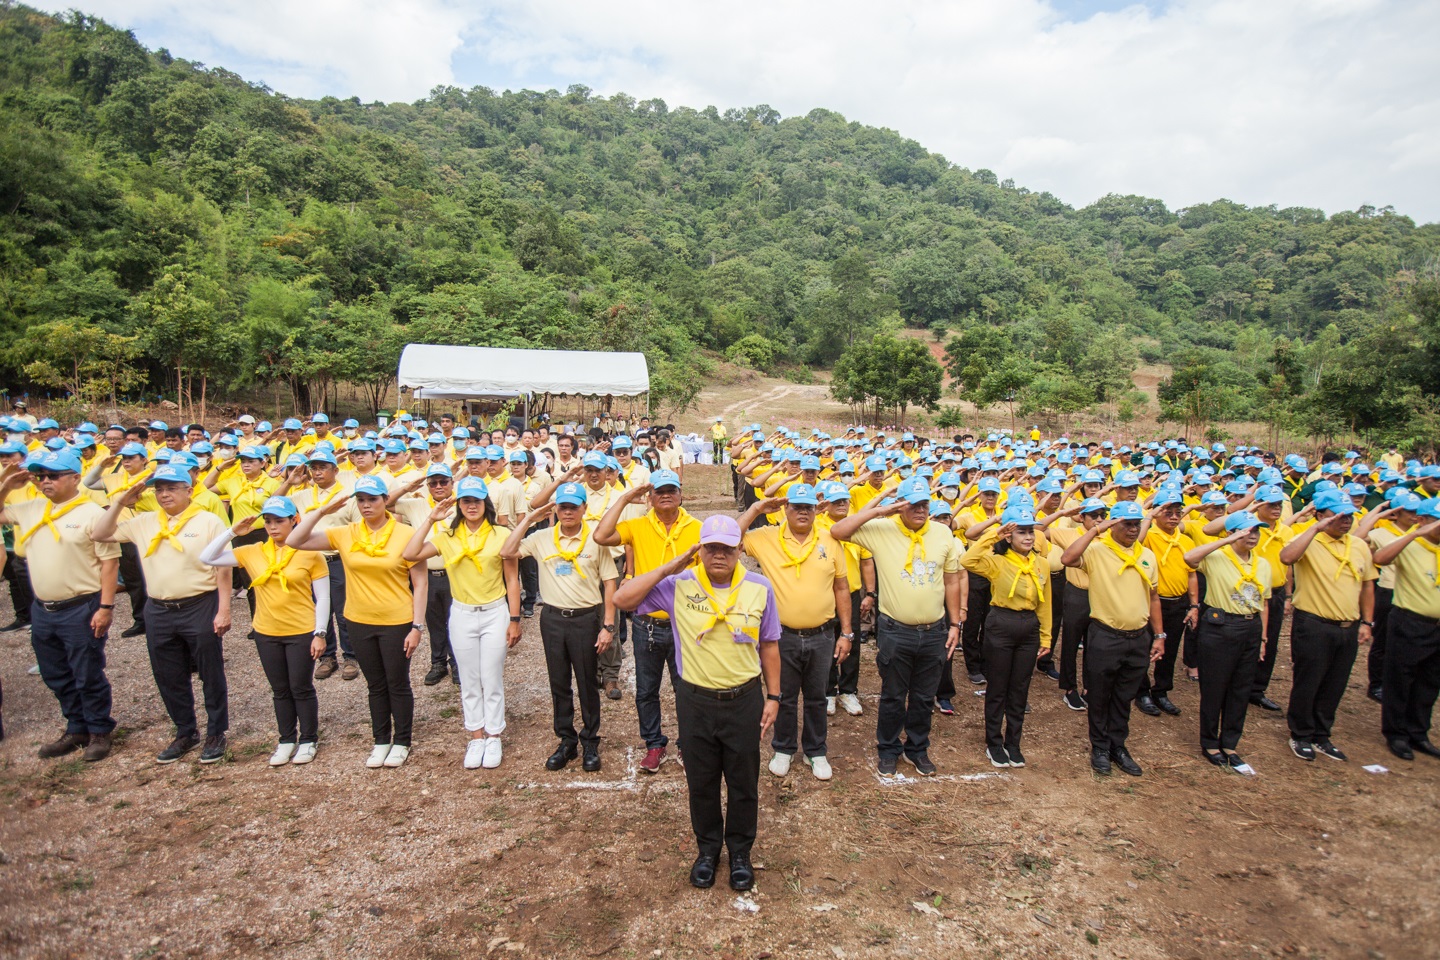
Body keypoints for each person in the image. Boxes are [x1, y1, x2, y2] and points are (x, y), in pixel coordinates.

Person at [614, 516, 781, 893]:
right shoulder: (677, 586)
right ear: (700, 550)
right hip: (695, 700)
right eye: (711, 547)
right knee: (701, 782)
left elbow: (769, 644)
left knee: (743, 782)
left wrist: (774, 696)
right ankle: (707, 851)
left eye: (727, 547)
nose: (719, 554)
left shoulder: (759, 588)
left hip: (743, 699)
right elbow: (622, 599)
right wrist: (672, 565)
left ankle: (740, 852)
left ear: (740, 549)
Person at [92, 463, 233, 765]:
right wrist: (120, 501)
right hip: (159, 607)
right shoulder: (143, 521)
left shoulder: (209, 521)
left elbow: (223, 568)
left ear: (189, 490)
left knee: (210, 671)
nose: (164, 494)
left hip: (200, 602)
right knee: (168, 674)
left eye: (172, 488)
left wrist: (224, 609)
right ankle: (185, 731)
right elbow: (100, 533)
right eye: (159, 489)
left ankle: (216, 731)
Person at [829, 477, 965, 778]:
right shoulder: (882, 530)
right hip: (896, 631)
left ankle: (917, 748)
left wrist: (955, 623)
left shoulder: (943, 533)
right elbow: (838, 530)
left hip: (935, 631)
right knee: (893, 695)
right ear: (900, 506)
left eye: (924, 503)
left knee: (923, 696)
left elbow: (952, 579)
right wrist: (881, 510)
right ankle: (888, 749)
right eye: (912, 503)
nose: (920, 509)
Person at [288, 475, 427, 769]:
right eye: (361, 500)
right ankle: (380, 740)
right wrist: (323, 512)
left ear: (384, 501)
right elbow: (294, 540)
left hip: (396, 619)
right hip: (359, 620)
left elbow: (420, 581)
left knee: (397, 682)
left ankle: (402, 740)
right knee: (375, 684)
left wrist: (417, 626)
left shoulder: (405, 533)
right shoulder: (345, 532)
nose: (366, 505)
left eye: (372, 499)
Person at [0, 450, 120, 761]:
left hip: (81, 605)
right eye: (40, 476)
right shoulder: (30, 508)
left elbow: (110, 564)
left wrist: (105, 608)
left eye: (53, 475)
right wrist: (5, 485)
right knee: (55, 672)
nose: (45, 482)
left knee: (87, 672)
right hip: (44, 608)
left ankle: (98, 730)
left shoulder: (92, 514)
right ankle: (76, 725)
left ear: (75, 478)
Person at [200, 496, 330, 765]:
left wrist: (320, 632)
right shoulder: (253, 551)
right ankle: (285, 739)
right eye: (268, 521)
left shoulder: (310, 552)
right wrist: (232, 532)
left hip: (301, 629)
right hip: (266, 630)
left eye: (279, 521)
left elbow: (323, 597)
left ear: (294, 520)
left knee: (301, 686)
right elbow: (207, 557)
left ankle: (308, 738)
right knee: (279, 688)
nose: (272, 527)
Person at [402, 476, 520, 769]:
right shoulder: (448, 537)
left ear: (485, 504)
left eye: (476, 501)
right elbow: (410, 553)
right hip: (463, 613)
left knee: (490, 677)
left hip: (494, 611)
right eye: (466, 501)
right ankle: (476, 735)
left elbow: (512, 579)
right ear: (458, 504)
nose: (471, 506)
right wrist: (431, 519)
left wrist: (515, 619)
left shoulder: (501, 534)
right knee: (468, 679)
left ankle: (494, 735)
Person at [501, 482, 618, 772]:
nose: (568, 512)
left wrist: (608, 626)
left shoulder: (595, 539)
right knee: (559, 682)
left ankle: (590, 739)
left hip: (585, 618)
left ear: (583, 509)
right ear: (555, 509)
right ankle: (566, 739)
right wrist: (528, 519)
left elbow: (609, 583)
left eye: (573, 507)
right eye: (563, 507)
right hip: (553, 619)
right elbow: (507, 551)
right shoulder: (541, 537)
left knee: (588, 682)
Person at [738, 484, 851, 781]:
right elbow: (729, 541)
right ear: (785, 510)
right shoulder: (767, 537)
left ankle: (816, 750)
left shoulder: (830, 539)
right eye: (796, 506)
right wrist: (756, 509)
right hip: (781, 636)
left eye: (808, 507)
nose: (802, 512)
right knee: (783, 695)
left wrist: (847, 632)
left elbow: (841, 587)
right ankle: (784, 748)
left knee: (817, 696)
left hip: (823, 635)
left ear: (817, 510)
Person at [593, 470, 702, 771]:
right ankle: (654, 744)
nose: (666, 495)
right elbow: (601, 535)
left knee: (688, 689)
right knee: (646, 690)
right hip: (646, 624)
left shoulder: (698, 528)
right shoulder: (638, 525)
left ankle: (687, 744)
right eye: (659, 491)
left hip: (686, 624)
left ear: (681, 494)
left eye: (671, 490)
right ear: (650, 498)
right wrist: (626, 497)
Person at [1060, 501, 1163, 777]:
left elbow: (1153, 596)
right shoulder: (1097, 551)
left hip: (1138, 637)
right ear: (1112, 524)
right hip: (1106, 635)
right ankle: (1100, 747)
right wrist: (1095, 531)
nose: (1133, 529)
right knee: (1100, 694)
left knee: (1124, 695)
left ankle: (1118, 745)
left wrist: (1159, 635)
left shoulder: (1147, 556)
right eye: (1126, 523)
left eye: (1136, 523)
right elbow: (1068, 559)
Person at [1278, 489, 1377, 762]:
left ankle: (1322, 734)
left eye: (1350, 516)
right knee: (1309, 679)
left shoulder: (1357, 546)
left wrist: (1367, 621)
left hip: (1347, 625)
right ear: (1321, 516)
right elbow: (1287, 557)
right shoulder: (1308, 541)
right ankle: (1300, 733)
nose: (1346, 521)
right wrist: (1316, 528)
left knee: (1336, 681)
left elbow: (1367, 585)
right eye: (1339, 515)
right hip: (1314, 623)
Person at [961, 503, 1052, 768]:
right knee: (998, 686)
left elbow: (1045, 604)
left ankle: (1014, 742)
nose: (1028, 537)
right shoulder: (997, 561)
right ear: (1009, 536)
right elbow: (968, 560)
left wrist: (1045, 637)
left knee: (1020, 687)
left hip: (1028, 626)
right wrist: (994, 534)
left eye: (1030, 532)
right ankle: (994, 742)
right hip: (1001, 622)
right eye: (1021, 532)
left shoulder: (1041, 564)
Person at [1182, 512, 1274, 773]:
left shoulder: (1263, 564)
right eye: (1247, 531)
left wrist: (1264, 637)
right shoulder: (1216, 557)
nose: (1253, 535)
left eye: (1257, 531)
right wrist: (1225, 541)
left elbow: (1263, 602)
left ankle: (1230, 743)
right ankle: (1210, 742)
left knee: (1241, 687)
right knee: (1215, 686)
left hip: (1250, 625)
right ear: (1234, 533)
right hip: (1221, 626)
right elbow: (1190, 558)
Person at [1370, 499, 1440, 761]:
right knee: (1401, 678)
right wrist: (1415, 535)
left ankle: (1418, 732)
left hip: (1437, 626)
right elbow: (1380, 558)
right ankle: (1396, 733)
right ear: (1422, 520)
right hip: (1410, 621)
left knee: (1429, 682)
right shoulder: (1410, 545)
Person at [282, 447, 359, 681]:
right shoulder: (303, 495)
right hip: (311, 560)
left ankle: (351, 656)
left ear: (336, 470)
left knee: (343, 609)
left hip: (337, 559)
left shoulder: (348, 495)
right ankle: (327, 655)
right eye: (313, 468)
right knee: (318, 608)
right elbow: (273, 504)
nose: (317, 472)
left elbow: (357, 529)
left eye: (322, 467)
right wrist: (289, 482)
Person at [1136, 489, 1199, 717]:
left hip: (1176, 602)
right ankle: (1141, 690)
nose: (1173, 517)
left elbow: (1191, 574)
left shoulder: (1185, 540)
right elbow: (1137, 543)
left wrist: (1193, 605)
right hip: (1152, 601)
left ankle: (1161, 690)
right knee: (1144, 646)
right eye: (1168, 512)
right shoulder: (1150, 535)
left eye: (1177, 513)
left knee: (1170, 649)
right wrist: (1150, 517)